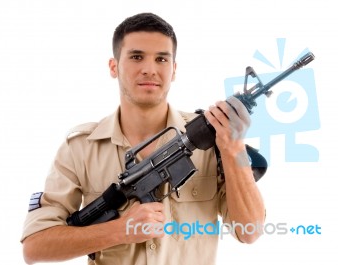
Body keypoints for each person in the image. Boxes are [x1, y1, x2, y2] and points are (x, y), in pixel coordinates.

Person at [21, 12, 265, 265]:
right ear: (113, 67)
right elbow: (35, 247)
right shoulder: (80, 148)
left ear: (174, 70)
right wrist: (120, 230)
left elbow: (250, 231)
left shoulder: (216, 138)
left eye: (161, 59)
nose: (150, 69)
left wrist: (233, 147)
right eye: (137, 57)